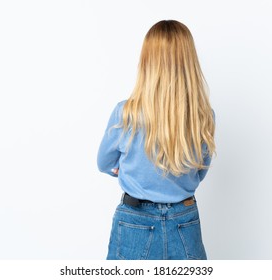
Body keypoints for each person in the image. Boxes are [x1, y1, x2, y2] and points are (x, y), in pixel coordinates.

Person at [97, 20, 216, 260]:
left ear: (146, 62)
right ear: (189, 62)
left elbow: (103, 163)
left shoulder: (126, 113)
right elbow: (199, 172)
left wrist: (124, 171)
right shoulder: (203, 116)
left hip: (135, 220)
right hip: (185, 220)